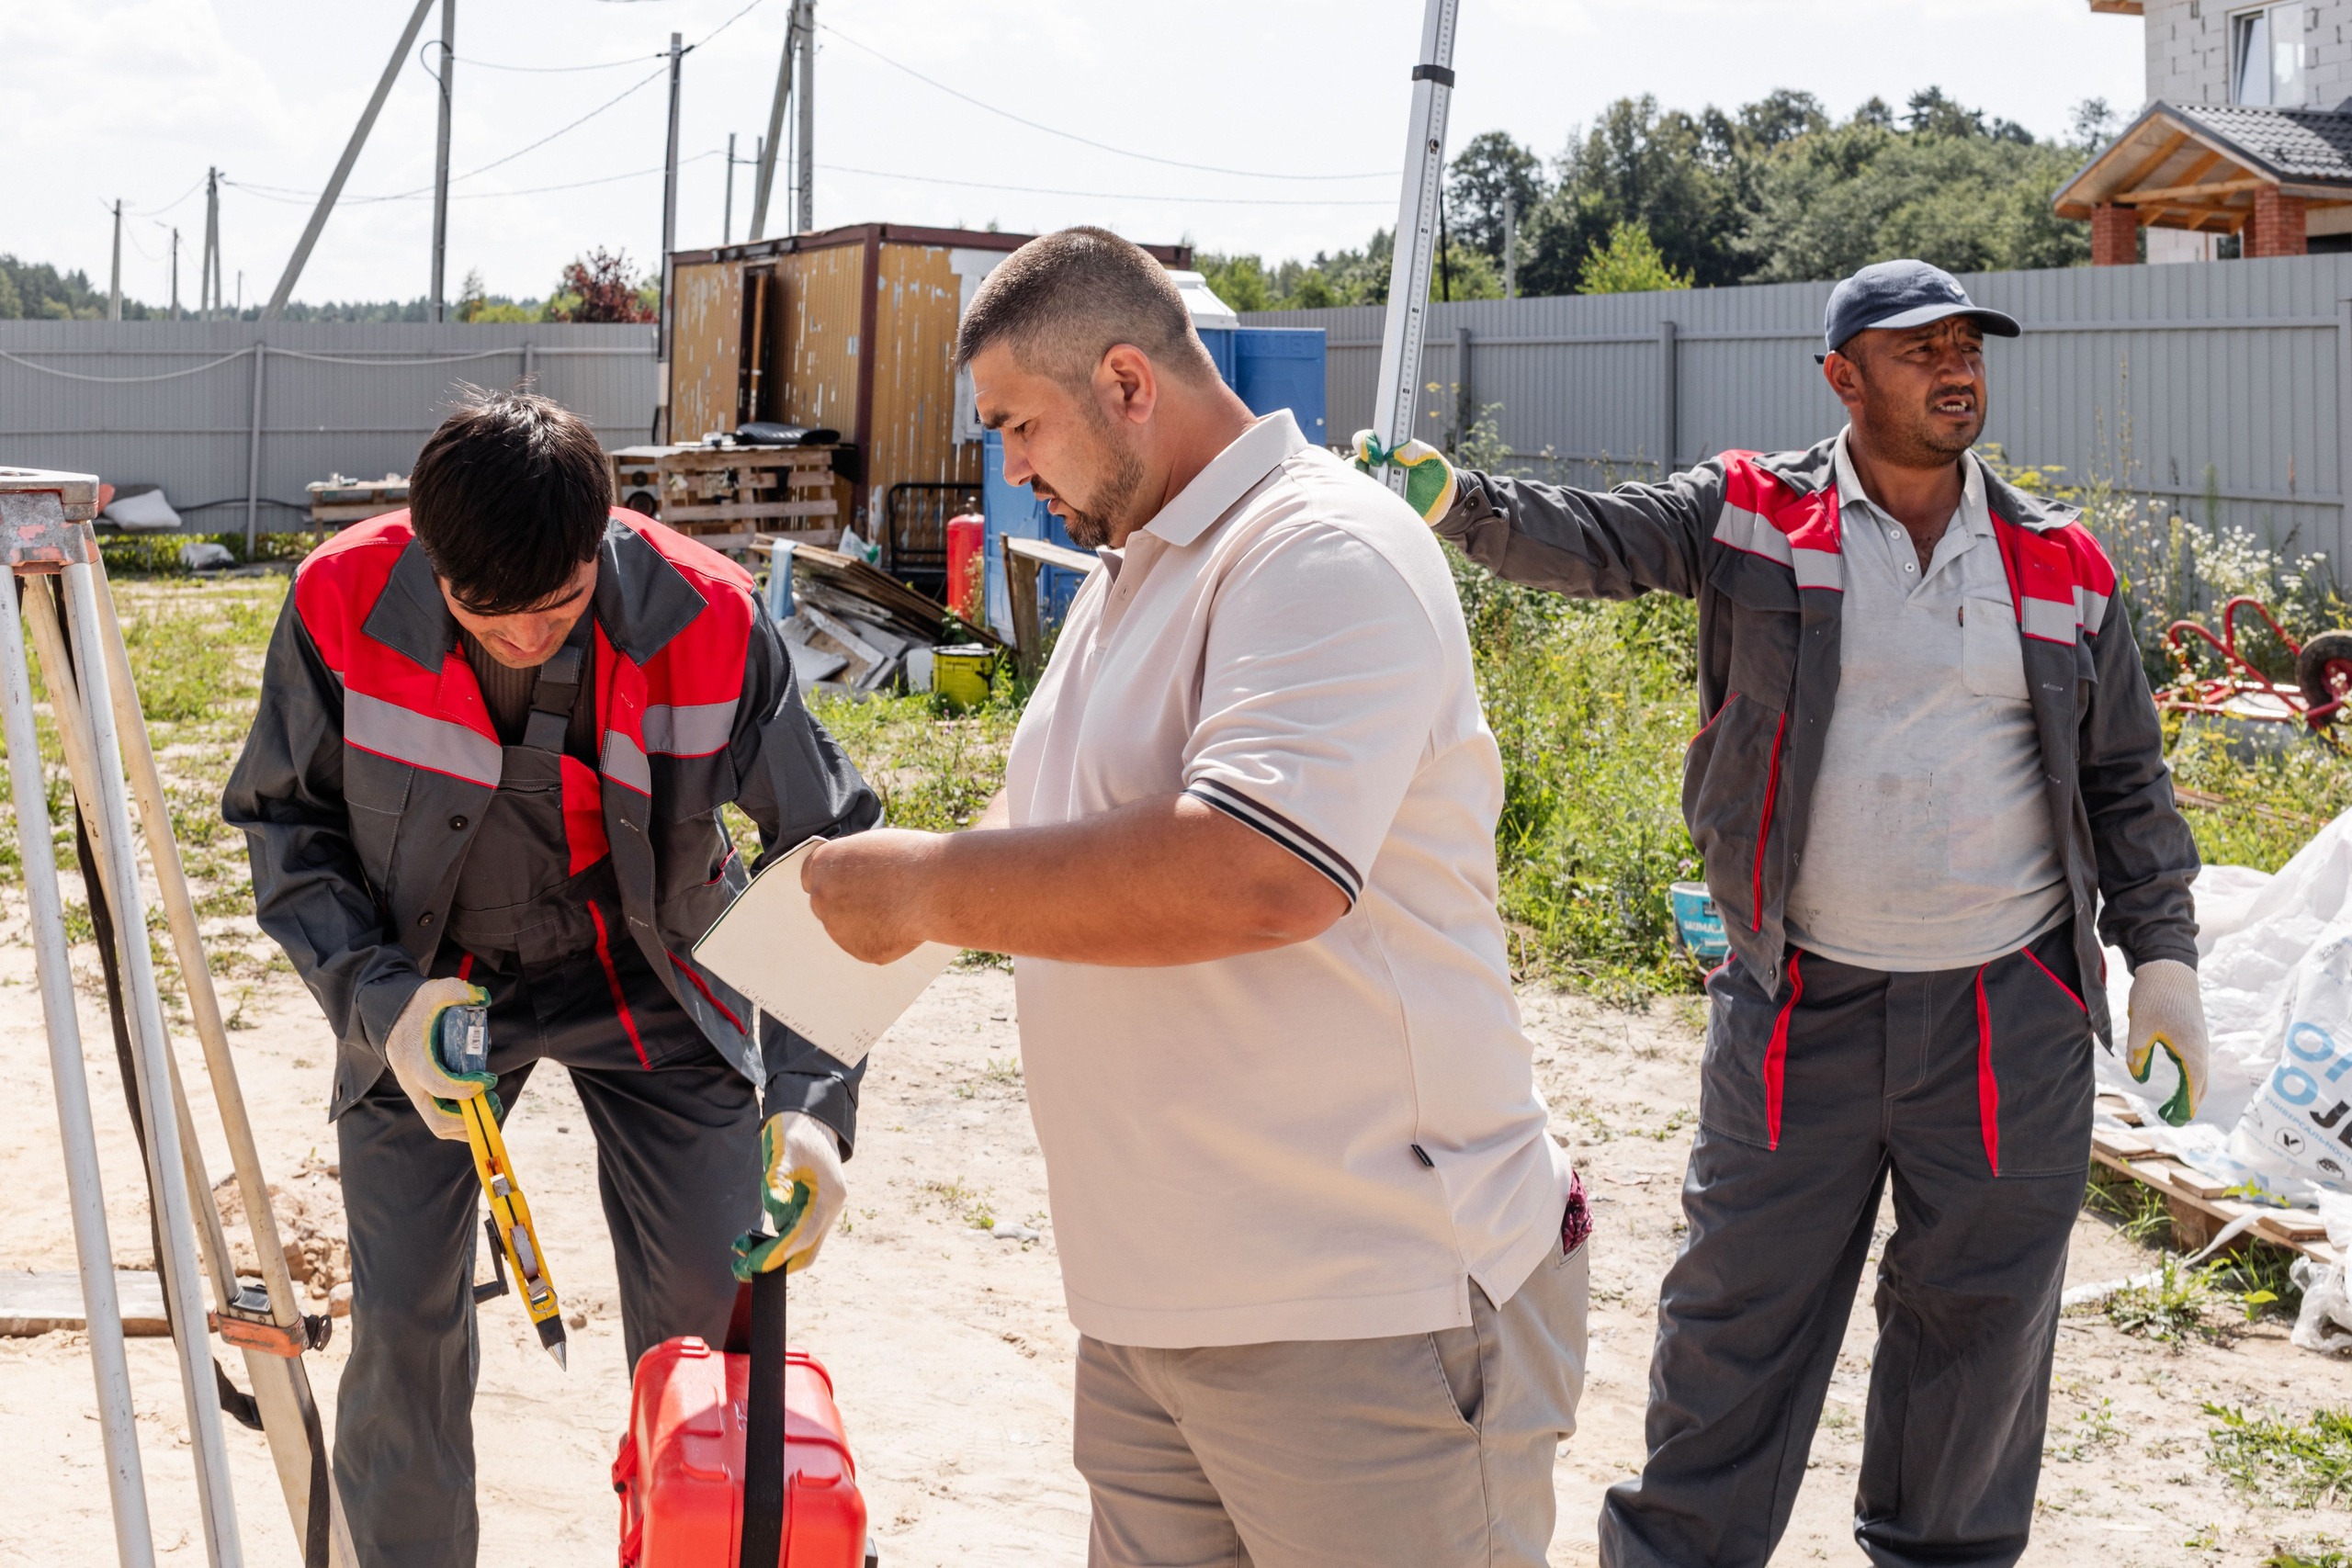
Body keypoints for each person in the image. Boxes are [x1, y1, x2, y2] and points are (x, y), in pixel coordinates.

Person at [1353, 257, 2210, 1568]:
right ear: (1842, 375)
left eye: (1968, 341)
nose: (1954, 364)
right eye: (1918, 346)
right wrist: (1456, 500)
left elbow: (2127, 782)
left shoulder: (2062, 563)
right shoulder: (1757, 516)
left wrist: (2164, 961)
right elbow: (1600, 537)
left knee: (1978, 1332)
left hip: (2004, 1017)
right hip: (1799, 996)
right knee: (1734, 1316)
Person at [797, 227, 1589, 1568]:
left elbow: (1258, 869)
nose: (1018, 465)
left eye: (1021, 426)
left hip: (1361, 1311)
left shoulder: (1320, 550)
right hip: (1159, 1310)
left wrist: (926, 883)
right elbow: (1052, 852)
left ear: (1124, 381)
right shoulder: (1132, 580)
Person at [222, 389, 878, 1566]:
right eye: (487, 613)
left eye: (560, 605)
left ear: (605, 534)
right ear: (430, 555)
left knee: (713, 1317)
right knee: (407, 1318)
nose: (525, 636)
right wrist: (382, 1002)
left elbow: (833, 862)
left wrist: (815, 1108)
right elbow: (284, 827)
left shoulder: (713, 620)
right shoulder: (339, 601)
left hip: (654, 972)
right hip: (430, 980)